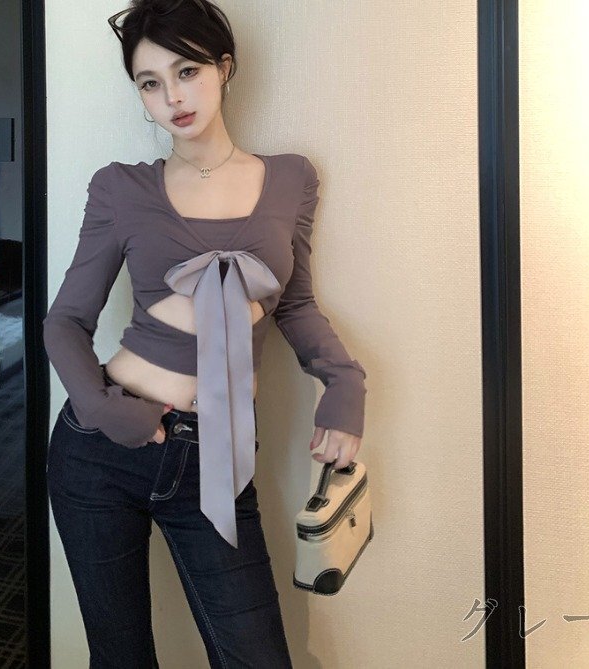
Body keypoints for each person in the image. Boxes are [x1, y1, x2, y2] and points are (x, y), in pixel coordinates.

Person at [43, 0, 367, 666]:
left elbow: (294, 304)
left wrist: (343, 384)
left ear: (224, 67)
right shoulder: (120, 189)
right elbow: (65, 322)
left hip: (217, 455)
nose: (172, 97)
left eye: (187, 71)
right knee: (121, 658)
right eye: (150, 82)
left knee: (256, 657)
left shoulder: (290, 179)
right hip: (101, 451)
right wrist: (104, 411)